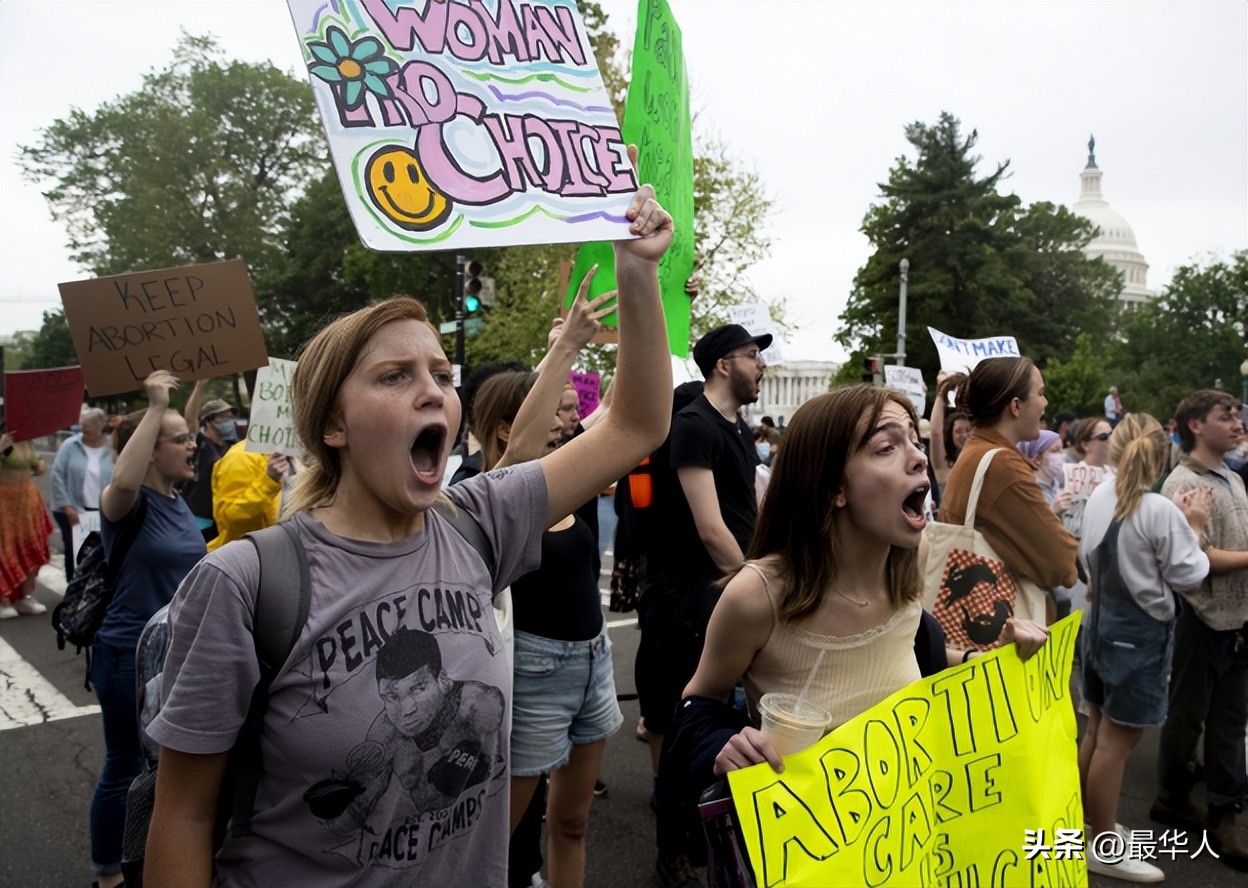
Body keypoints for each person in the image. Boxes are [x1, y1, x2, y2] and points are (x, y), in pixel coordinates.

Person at [142, 178, 674, 887]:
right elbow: (182, 816)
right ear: (333, 426)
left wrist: (637, 270)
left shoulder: (477, 519)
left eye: (442, 373)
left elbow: (637, 424)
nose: (433, 389)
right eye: (395, 376)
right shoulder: (243, 584)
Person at [675, 384, 1048, 775]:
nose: (920, 458)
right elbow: (700, 702)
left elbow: (900, 654)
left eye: (914, 441)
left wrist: (989, 658)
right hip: (802, 829)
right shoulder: (757, 595)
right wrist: (723, 746)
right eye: (887, 448)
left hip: (909, 824)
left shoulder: (913, 561)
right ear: (834, 486)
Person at [471, 277, 618, 888]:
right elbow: (515, 463)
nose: (567, 419)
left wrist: (661, 303)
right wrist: (564, 351)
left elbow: (625, 411)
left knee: (573, 823)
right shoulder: (491, 501)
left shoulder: (568, 475)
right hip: (534, 669)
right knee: (496, 839)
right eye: (553, 407)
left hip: (595, 660)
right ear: (507, 427)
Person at [640, 322, 769, 887]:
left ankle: (702, 831)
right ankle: (672, 853)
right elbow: (712, 528)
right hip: (688, 600)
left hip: (727, 593)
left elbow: (746, 515)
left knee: (722, 726)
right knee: (680, 726)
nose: (761, 366)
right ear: (723, 365)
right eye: (751, 356)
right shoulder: (692, 427)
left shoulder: (738, 430)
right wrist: (756, 587)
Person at [1077, 413, 1210, 883]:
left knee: (1094, 732)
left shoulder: (1098, 496)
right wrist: (1194, 524)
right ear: (1163, 454)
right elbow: (1190, 575)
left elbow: (1083, 559)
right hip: (1137, 640)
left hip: (1097, 629)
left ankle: (1088, 827)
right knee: (1116, 745)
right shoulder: (1159, 511)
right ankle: (1103, 847)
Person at [90, 370, 207, 888]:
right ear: (152, 449)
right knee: (124, 767)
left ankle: (151, 860)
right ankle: (109, 873)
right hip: (125, 655)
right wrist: (157, 403)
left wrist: (197, 385)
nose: (193, 442)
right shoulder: (126, 504)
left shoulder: (179, 500)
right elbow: (121, 479)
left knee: (166, 771)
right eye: (180, 438)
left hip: (174, 654)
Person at [1151, 390, 1248, 871]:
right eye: (1224, 416)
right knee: (1187, 715)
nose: (1236, 422)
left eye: (1236, 414)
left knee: (1231, 720)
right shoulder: (1182, 484)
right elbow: (1196, 559)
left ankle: (1226, 810)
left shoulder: (1231, 477)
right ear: (1195, 426)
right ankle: (1171, 793)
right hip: (1200, 618)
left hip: (1241, 618)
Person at [939, 357, 1078, 634]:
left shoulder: (977, 450)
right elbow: (1062, 563)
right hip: (1002, 631)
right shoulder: (1003, 466)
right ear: (1015, 406)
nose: (1045, 402)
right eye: (1040, 393)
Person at [50, 407, 114, 581]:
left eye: (88, 426)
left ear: (100, 428)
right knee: (74, 552)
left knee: (101, 552)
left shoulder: (112, 448)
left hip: (103, 511)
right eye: (82, 424)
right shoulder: (70, 445)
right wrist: (67, 506)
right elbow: (57, 475)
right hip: (72, 511)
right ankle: (73, 588)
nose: (83, 429)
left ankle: (95, 588)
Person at [0, 432, 53, 619]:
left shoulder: (26, 438)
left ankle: (24, 595)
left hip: (27, 500)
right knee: (5, 550)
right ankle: (3, 598)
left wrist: (39, 464)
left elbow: (35, 462)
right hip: (4, 500)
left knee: (33, 548)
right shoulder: (4, 439)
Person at [205, 440, 292, 552]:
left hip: (278, 553)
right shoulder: (240, 456)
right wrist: (269, 482)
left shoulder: (300, 457)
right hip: (245, 556)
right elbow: (232, 519)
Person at [180, 384, 241, 541]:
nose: (230, 422)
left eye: (231, 417)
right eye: (225, 417)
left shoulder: (231, 448)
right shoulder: (200, 443)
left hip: (219, 522)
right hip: (197, 521)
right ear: (209, 421)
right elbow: (190, 418)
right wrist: (200, 384)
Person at [930, 371, 972, 498]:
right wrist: (942, 390)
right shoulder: (944, 466)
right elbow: (935, 433)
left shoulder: (981, 461)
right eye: (958, 431)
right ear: (950, 435)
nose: (964, 435)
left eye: (968, 430)